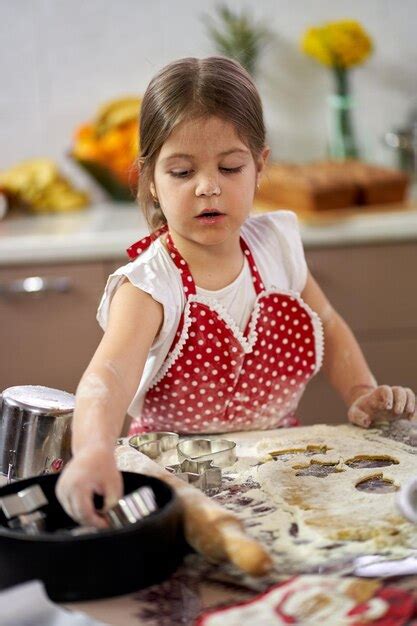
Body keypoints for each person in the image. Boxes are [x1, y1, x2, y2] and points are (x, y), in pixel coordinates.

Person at [56, 56, 416, 527]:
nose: (208, 187)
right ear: (150, 179)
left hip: (282, 469)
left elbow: (328, 324)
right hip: (178, 482)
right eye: (182, 173)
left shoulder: (277, 248)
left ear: (259, 166)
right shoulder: (151, 284)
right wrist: (94, 450)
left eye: (229, 167)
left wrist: (361, 391)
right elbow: (108, 378)